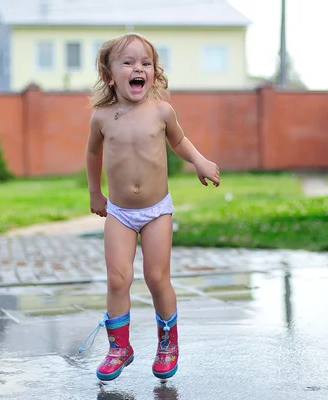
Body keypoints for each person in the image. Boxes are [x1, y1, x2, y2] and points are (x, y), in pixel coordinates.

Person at [78, 32, 220, 382]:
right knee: (117, 279)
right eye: (128, 62)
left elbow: (179, 141)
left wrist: (200, 161)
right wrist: (95, 194)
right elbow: (93, 154)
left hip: (157, 210)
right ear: (110, 74)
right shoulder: (102, 117)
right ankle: (119, 347)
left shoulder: (161, 111)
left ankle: (168, 343)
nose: (138, 68)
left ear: (154, 73)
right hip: (120, 213)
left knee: (156, 277)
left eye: (146, 63)